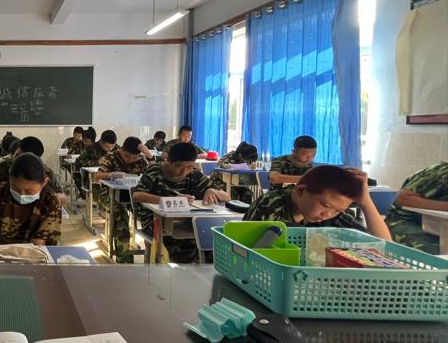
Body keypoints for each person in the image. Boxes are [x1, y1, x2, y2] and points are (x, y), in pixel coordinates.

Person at [130, 143, 230, 263]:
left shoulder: (194, 175)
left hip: (185, 221)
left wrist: (212, 191)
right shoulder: (155, 171)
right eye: (179, 166)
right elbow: (137, 195)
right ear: (168, 161)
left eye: (189, 167)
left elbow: (227, 197)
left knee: (213, 245)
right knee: (180, 247)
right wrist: (170, 200)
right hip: (154, 220)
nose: (184, 171)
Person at [245, 165, 392, 240]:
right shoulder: (270, 205)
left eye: (338, 210)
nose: (327, 214)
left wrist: (365, 202)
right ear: (301, 191)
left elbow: (383, 245)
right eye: (325, 206)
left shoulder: (332, 213)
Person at [0, 153, 61, 255]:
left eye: (29, 191)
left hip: (34, 256)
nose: (21, 194)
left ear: (44, 183)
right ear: (9, 178)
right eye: (16, 188)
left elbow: (38, 244)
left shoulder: (50, 201)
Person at [94, 137, 154, 261]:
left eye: (134, 157)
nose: (130, 160)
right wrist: (111, 175)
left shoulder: (141, 160)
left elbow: (155, 174)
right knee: (120, 215)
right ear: (121, 149)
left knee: (150, 214)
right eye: (127, 156)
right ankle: (124, 259)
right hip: (109, 195)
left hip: (133, 196)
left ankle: (152, 255)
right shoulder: (110, 157)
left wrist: (150, 156)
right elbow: (97, 176)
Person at [385, 161, 448, 255]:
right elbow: (403, 198)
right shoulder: (441, 173)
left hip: (438, 227)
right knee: (438, 254)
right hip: (403, 221)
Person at [0, 136, 64, 203]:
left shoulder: (44, 171)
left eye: (23, 160)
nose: (17, 161)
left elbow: (59, 195)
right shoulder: (5, 165)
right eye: (17, 155)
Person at [72, 127, 97, 192]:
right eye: (84, 140)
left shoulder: (95, 148)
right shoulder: (80, 144)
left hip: (96, 174)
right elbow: (78, 161)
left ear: (92, 141)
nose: (85, 143)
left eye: (87, 141)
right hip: (83, 172)